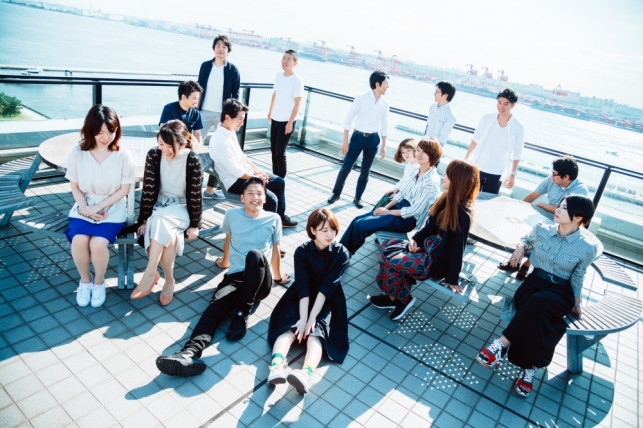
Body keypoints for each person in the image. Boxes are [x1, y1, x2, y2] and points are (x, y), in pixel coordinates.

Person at [155, 177, 289, 376]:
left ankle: (242, 313)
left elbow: (276, 250)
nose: (255, 197)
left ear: (264, 198)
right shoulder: (232, 215)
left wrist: (277, 277)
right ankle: (189, 354)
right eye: (250, 193)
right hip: (235, 277)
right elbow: (228, 241)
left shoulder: (274, 218)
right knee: (214, 307)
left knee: (255, 255)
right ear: (242, 197)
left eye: (259, 193)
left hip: (259, 279)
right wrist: (225, 263)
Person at [476, 195, 602, 398]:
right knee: (537, 315)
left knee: (538, 304)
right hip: (534, 284)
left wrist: (577, 303)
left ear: (579, 217)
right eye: (559, 206)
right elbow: (526, 240)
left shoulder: (587, 247)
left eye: (563, 208)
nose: (557, 210)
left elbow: (578, 276)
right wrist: (520, 247)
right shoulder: (542, 229)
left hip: (561, 292)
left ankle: (501, 344)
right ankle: (528, 368)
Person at [372, 159, 479, 320]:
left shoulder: (463, 213)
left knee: (392, 261)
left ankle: (402, 299)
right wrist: (415, 240)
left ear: (457, 180)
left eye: (448, 174)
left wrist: (452, 278)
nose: (443, 176)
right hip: (428, 247)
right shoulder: (447, 198)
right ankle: (392, 298)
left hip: (435, 260)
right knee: (387, 252)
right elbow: (430, 227)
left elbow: (458, 248)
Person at [267, 208, 350, 394]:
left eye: (333, 230)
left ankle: (305, 374)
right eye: (324, 230)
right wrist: (303, 318)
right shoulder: (302, 251)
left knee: (316, 333)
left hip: (328, 298)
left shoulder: (341, 253)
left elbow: (327, 288)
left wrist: (311, 318)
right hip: (301, 295)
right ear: (313, 230)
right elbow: (303, 285)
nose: (330, 235)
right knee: (291, 327)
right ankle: (276, 366)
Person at [65, 105, 135, 308]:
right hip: (84, 205)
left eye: (111, 131)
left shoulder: (123, 155)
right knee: (79, 240)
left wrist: (99, 208)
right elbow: (75, 186)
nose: (106, 137)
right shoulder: (78, 152)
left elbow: (124, 190)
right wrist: (85, 208)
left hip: (112, 208)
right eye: (100, 132)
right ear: (91, 130)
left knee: (97, 244)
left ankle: (98, 283)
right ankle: (85, 281)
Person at [130, 120, 203, 306]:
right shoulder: (154, 155)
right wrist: (144, 220)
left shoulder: (192, 159)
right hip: (159, 207)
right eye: (161, 144)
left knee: (159, 221)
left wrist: (195, 225)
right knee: (167, 237)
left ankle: (150, 273)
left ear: (183, 143)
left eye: (170, 146)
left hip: (181, 208)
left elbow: (195, 195)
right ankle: (169, 280)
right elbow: (148, 189)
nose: (164, 149)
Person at [339, 139, 443, 255]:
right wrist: (386, 208)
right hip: (397, 209)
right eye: (418, 150)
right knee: (356, 220)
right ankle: (338, 252)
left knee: (361, 225)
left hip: (407, 219)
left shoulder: (431, 181)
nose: (418, 154)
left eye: (424, 152)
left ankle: (343, 256)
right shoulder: (415, 170)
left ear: (433, 156)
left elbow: (415, 210)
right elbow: (402, 193)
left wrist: (387, 212)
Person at [209, 98, 298, 228]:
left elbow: (242, 157)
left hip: (245, 175)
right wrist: (257, 178)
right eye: (240, 119)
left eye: (243, 119)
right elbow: (237, 172)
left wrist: (257, 170)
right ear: (227, 117)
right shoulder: (220, 141)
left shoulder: (229, 131)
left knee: (279, 182)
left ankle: (280, 218)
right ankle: (263, 230)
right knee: (271, 200)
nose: (242, 123)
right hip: (234, 182)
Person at [499, 155, 590, 279]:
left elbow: (567, 212)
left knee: (543, 239)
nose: (551, 175)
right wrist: (517, 208)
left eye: (554, 173)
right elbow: (532, 196)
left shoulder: (580, 191)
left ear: (566, 177)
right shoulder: (551, 180)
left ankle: (524, 265)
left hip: (566, 224)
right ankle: (516, 262)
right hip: (547, 216)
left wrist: (541, 205)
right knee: (526, 230)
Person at [327, 71, 390, 208]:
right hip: (357, 137)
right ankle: (336, 194)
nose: (388, 86)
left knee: (365, 171)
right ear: (377, 84)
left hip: (373, 139)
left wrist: (384, 145)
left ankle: (358, 197)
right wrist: (345, 141)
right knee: (346, 167)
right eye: (386, 83)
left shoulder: (385, 103)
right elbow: (348, 120)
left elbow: (385, 126)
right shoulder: (361, 97)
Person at [198, 35, 241, 200]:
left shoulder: (232, 70)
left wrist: (231, 117)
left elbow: (236, 95)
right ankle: (192, 183)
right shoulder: (205, 66)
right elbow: (198, 88)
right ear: (213, 48)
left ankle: (209, 190)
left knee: (220, 152)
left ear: (228, 51)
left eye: (224, 46)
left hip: (223, 117)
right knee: (194, 148)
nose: (221, 49)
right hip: (203, 112)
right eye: (218, 45)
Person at [464, 88, 524, 194]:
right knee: (468, 197)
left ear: (513, 105)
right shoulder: (487, 118)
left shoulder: (518, 126)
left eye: (506, 104)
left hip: (497, 172)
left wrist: (512, 174)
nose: (501, 107)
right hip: (478, 166)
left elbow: (517, 152)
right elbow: (475, 140)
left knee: (487, 201)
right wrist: (465, 160)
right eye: (499, 102)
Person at [267, 49, 304, 178]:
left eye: (289, 59)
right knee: (273, 150)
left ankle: (281, 180)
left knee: (279, 152)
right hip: (275, 118)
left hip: (286, 121)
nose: (285, 61)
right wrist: (270, 111)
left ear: (295, 63)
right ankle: (274, 178)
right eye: (284, 58)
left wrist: (290, 123)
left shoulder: (297, 80)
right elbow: (275, 94)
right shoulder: (278, 76)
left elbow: (297, 103)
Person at [423, 81, 457, 147]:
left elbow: (442, 140)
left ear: (445, 95)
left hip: (433, 149)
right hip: (423, 144)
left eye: (437, 92)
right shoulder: (432, 107)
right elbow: (427, 127)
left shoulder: (450, 115)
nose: (434, 94)